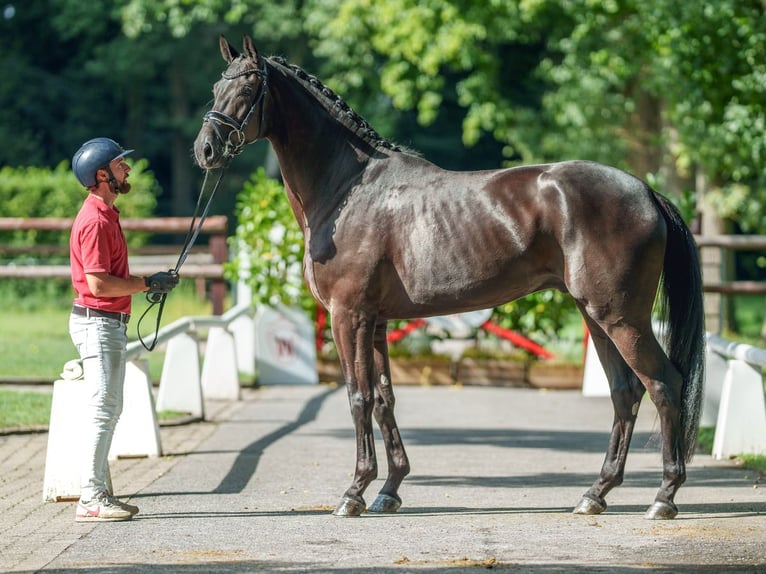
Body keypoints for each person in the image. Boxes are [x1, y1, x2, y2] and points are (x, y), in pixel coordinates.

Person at [69, 137, 179, 522]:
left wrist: (150, 283)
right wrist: (148, 283)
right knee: (103, 409)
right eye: (120, 166)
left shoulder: (108, 215)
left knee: (108, 408)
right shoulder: (95, 221)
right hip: (98, 323)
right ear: (102, 175)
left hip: (107, 323)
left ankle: (96, 490)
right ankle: (90, 497)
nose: (127, 169)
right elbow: (98, 284)